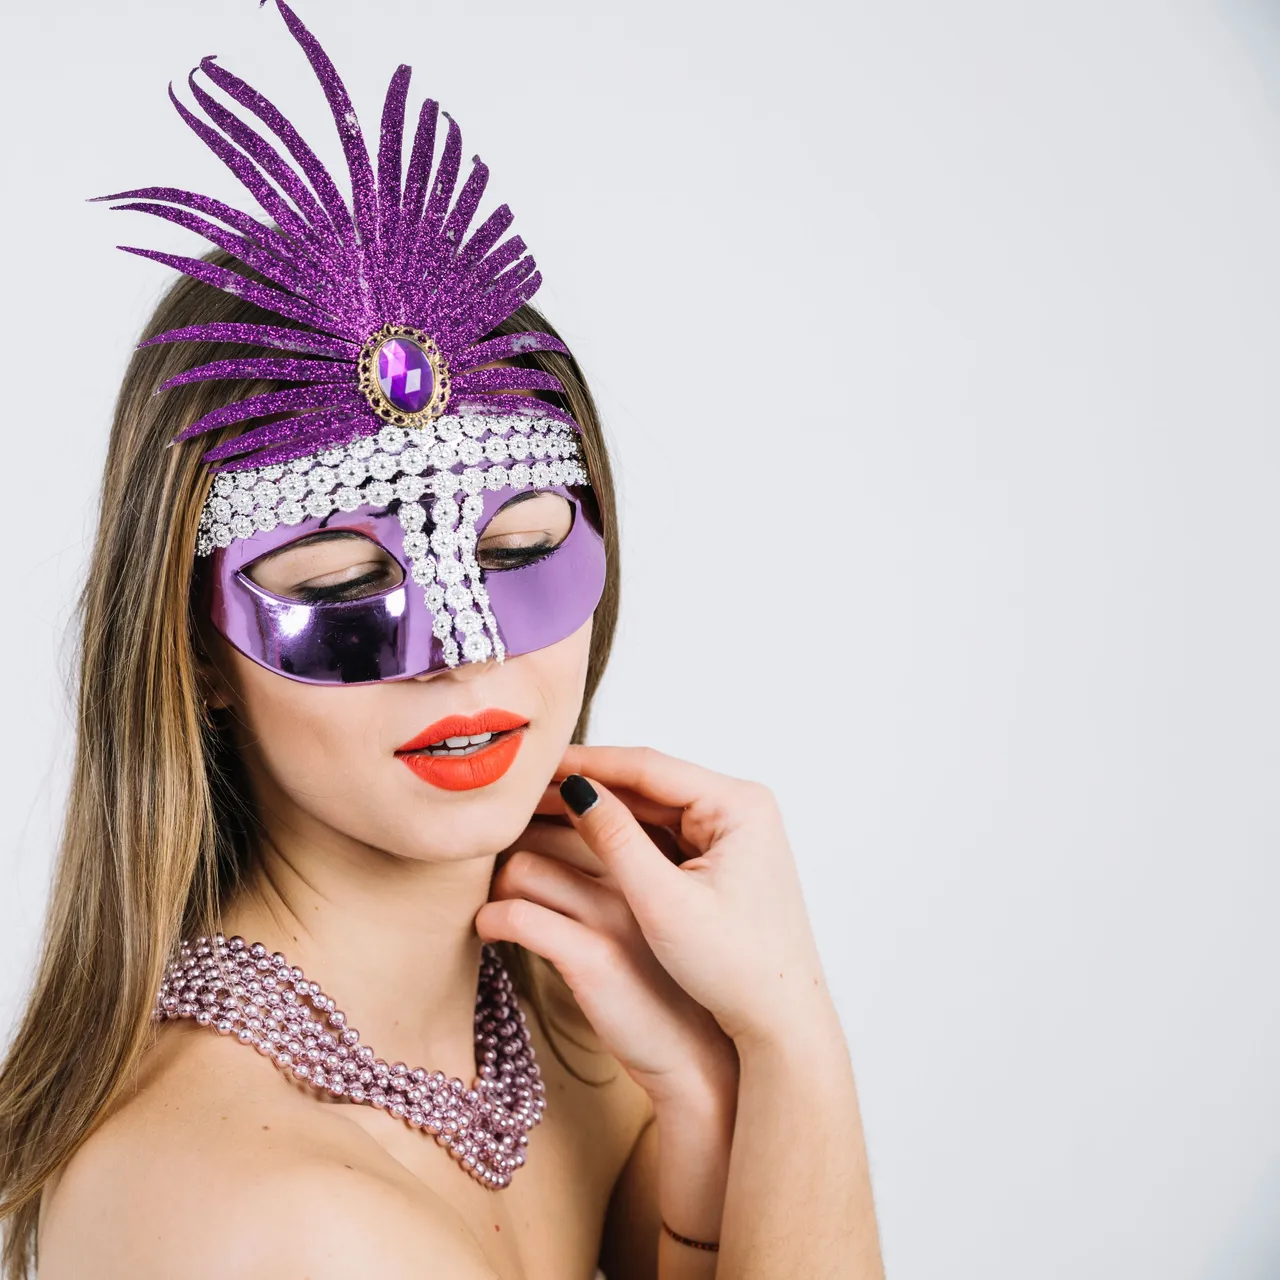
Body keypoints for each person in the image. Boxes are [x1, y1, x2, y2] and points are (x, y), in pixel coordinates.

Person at [0, 4, 884, 1277]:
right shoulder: (266, 1219)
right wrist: (792, 1041)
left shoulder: (585, 1046)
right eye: (343, 582)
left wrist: (725, 1090)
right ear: (190, 643)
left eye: (519, 549)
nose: (462, 652)